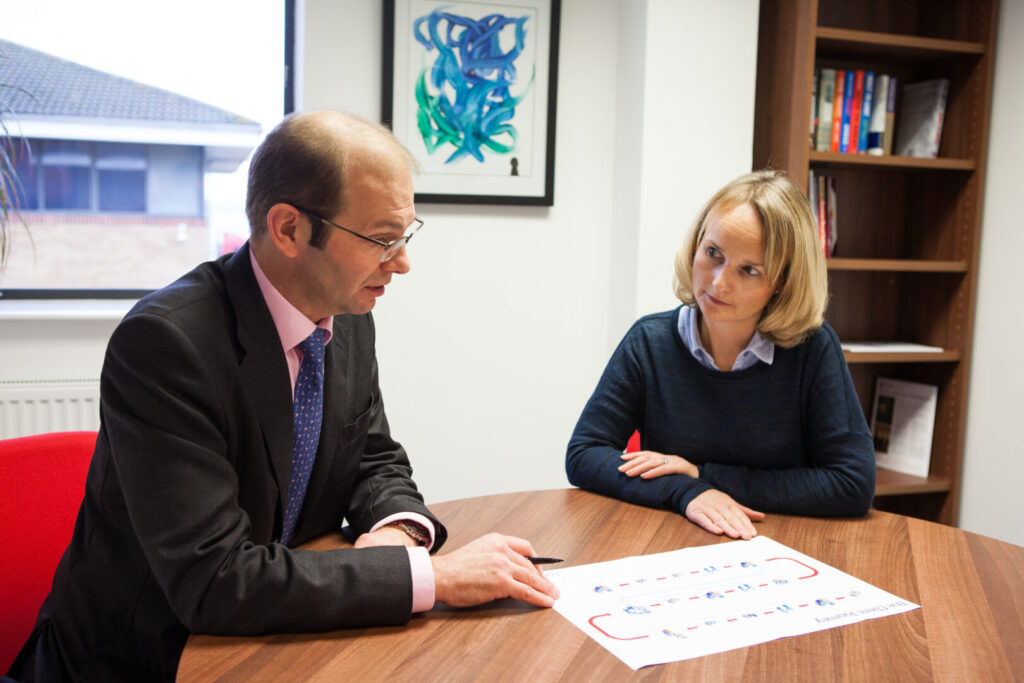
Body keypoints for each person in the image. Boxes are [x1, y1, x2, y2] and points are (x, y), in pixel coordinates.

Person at [9, 111, 558, 682]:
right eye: (381, 239)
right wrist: (432, 577)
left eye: (405, 235)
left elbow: (373, 460)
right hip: (148, 659)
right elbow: (215, 579)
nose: (401, 262)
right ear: (289, 229)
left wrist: (397, 533)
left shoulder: (347, 317)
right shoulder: (167, 344)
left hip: (279, 640)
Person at [566, 169, 875, 541]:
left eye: (749, 270)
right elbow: (584, 454)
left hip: (779, 544)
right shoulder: (649, 341)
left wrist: (703, 475)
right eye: (713, 253)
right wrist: (687, 491)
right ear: (696, 244)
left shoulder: (813, 348)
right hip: (672, 541)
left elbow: (852, 484)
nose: (718, 283)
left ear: (783, 282)